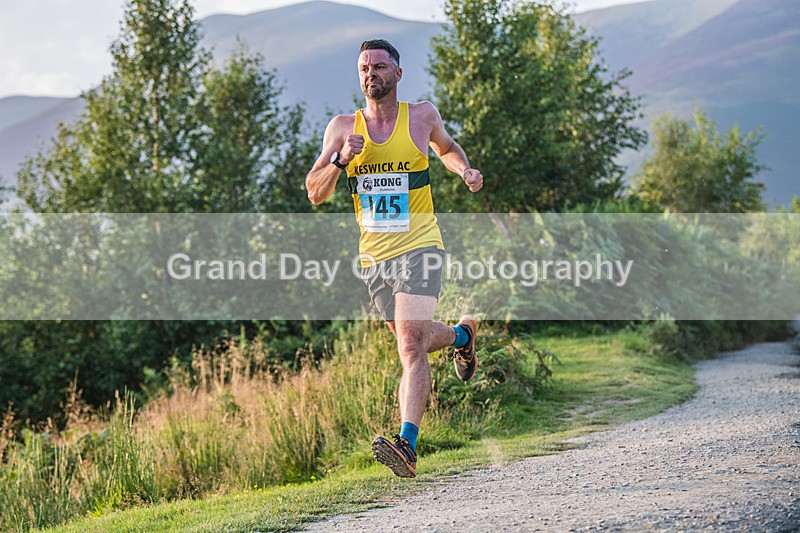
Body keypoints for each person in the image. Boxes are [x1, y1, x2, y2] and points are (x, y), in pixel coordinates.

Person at [305, 39, 484, 479]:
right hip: (374, 258)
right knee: (415, 341)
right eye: (365, 68)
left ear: (398, 74)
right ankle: (463, 336)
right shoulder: (342, 128)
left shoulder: (421, 116)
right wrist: (341, 161)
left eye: (380, 67)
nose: (372, 74)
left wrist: (464, 170)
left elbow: (447, 148)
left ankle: (407, 444)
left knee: (409, 345)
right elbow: (314, 192)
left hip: (421, 245)